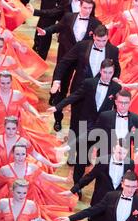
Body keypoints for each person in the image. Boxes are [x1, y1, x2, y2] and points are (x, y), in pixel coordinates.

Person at [48, 59, 122, 181]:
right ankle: (77, 185)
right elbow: (74, 96)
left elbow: (117, 108)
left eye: (110, 72)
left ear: (114, 72)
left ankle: (101, 185)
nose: (107, 75)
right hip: (88, 123)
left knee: (103, 159)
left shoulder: (116, 88)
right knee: (82, 157)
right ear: (100, 71)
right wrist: (58, 107)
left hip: (105, 127)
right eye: (105, 72)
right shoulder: (89, 83)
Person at [37, 0, 101, 130]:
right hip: (66, 56)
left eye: (90, 8)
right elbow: (57, 27)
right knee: (61, 88)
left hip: (82, 61)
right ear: (80, 6)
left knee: (78, 90)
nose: (87, 10)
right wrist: (46, 31)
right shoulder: (69, 17)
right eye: (85, 7)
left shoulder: (96, 23)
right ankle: (58, 119)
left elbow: (102, 40)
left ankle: (77, 123)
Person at [93, 89, 138, 158]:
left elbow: (136, 138)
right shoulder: (105, 116)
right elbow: (95, 133)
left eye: (126, 103)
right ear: (116, 102)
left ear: (130, 103)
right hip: (105, 156)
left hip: (125, 157)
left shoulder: (136, 119)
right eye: (120, 102)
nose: (123, 105)